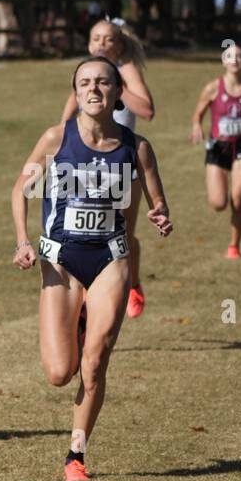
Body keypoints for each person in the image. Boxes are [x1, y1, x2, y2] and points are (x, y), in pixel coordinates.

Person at [11, 56, 173, 481]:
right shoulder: (54, 139)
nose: (94, 89)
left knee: (95, 363)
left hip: (109, 259)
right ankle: (78, 317)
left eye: (103, 82)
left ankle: (76, 453)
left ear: (118, 92)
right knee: (59, 373)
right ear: (76, 91)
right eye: (85, 82)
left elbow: (158, 200)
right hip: (60, 262)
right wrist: (23, 241)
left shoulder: (136, 147)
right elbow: (20, 189)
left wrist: (161, 214)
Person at [59, 18, 154, 319]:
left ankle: (133, 283)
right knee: (88, 229)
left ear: (119, 45)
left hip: (124, 162)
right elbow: (70, 110)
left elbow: (147, 110)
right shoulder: (87, 74)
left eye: (107, 39)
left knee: (123, 232)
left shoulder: (125, 72)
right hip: (86, 163)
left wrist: (116, 87)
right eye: (95, 38)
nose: (100, 44)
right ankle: (88, 299)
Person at [190, 43, 241, 258]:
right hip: (218, 146)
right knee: (218, 203)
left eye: (239, 56)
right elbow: (198, 113)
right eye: (230, 56)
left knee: (237, 199)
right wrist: (197, 126)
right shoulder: (212, 88)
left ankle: (234, 246)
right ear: (223, 61)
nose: (234, 60)